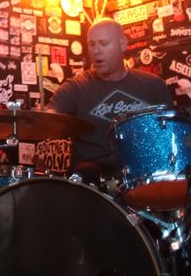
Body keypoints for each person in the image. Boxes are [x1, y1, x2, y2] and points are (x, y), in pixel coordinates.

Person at [48, 17, 172, 178]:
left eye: (104, 43)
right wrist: (44, 118)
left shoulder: (153, 85)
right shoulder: (76, 87)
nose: (96, 50)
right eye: (92, 44)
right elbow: (48, 118)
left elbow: (170, 133)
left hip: (143, 173)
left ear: (123, 44)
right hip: (92, 179)